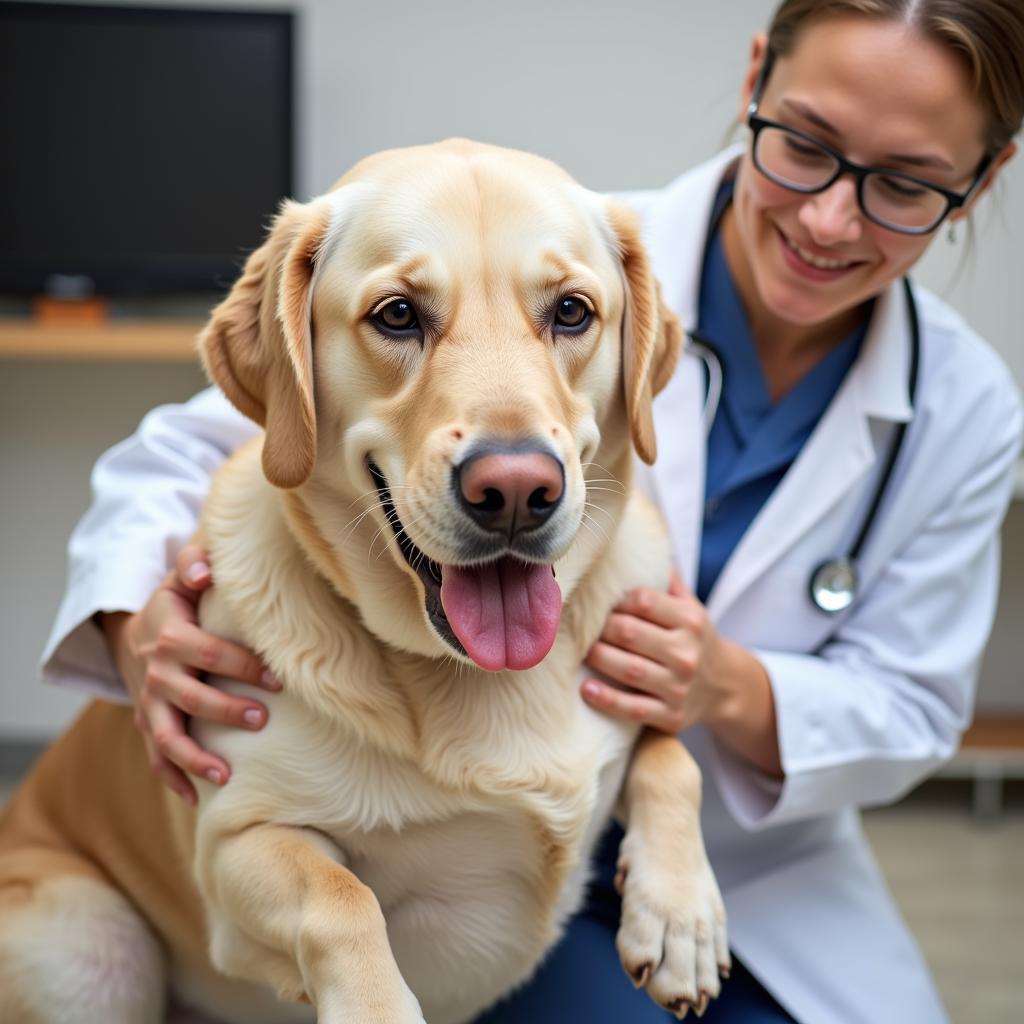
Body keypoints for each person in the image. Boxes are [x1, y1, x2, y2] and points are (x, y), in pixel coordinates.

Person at [40, 1, 1024, 1021]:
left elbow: (912, 706)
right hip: (454, 878)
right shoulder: (525, 234)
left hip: (743, 861)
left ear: (979, 181)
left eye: (904, 183)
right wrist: (131, 622)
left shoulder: (964, 406)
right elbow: (203, 446)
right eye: (804, 146)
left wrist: (725, 687)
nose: (829, 217)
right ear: (753, 87)